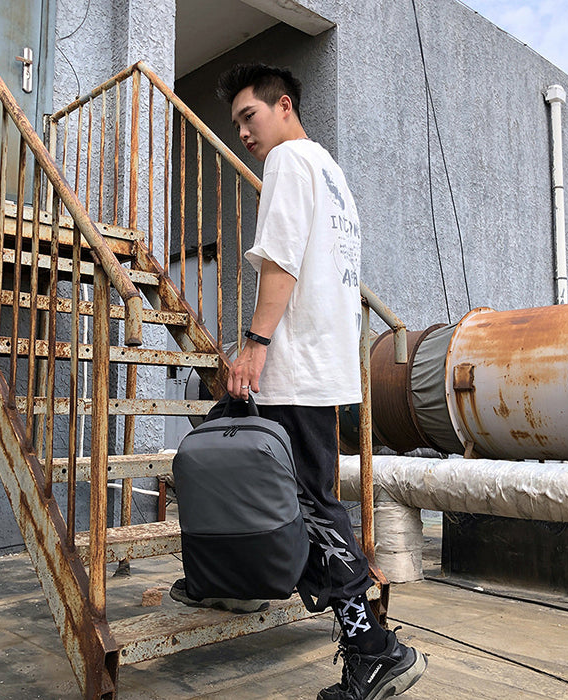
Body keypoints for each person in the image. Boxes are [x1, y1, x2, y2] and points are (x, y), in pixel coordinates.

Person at [174, 63, 427, 700]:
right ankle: (254, 586)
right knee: (300, 501)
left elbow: (281, 263)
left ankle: (374, 650)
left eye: (249, 117)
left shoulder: (289, 162)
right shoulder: (331, 173)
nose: (243, 133)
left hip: (295, 369)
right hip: (325, 369)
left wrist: (255, 344)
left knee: (313, 510)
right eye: (236, 124)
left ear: (283, 105)